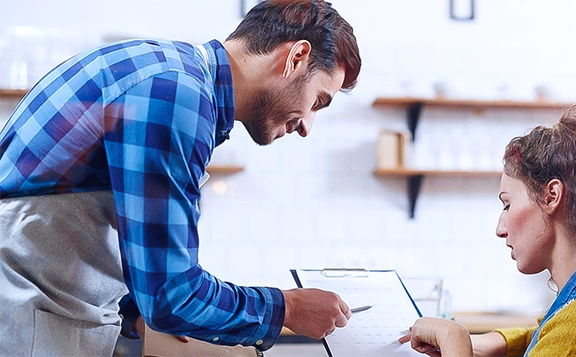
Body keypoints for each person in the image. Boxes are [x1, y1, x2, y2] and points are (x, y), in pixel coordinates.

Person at [0, 0, 361, 355]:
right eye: (317, 101)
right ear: (296, 58)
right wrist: (288, 308)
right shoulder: (177, 95)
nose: (307, 127)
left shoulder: (164, 71)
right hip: (25, 328)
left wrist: (133, 307)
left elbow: (76, 210)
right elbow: (172, 296)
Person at [399, 105, 576, 357]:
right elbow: (543, 335)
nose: (500, 228)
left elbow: (574, 332)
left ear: (551, 196)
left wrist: (456, 340)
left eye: (507, 205)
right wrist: (489, 342)